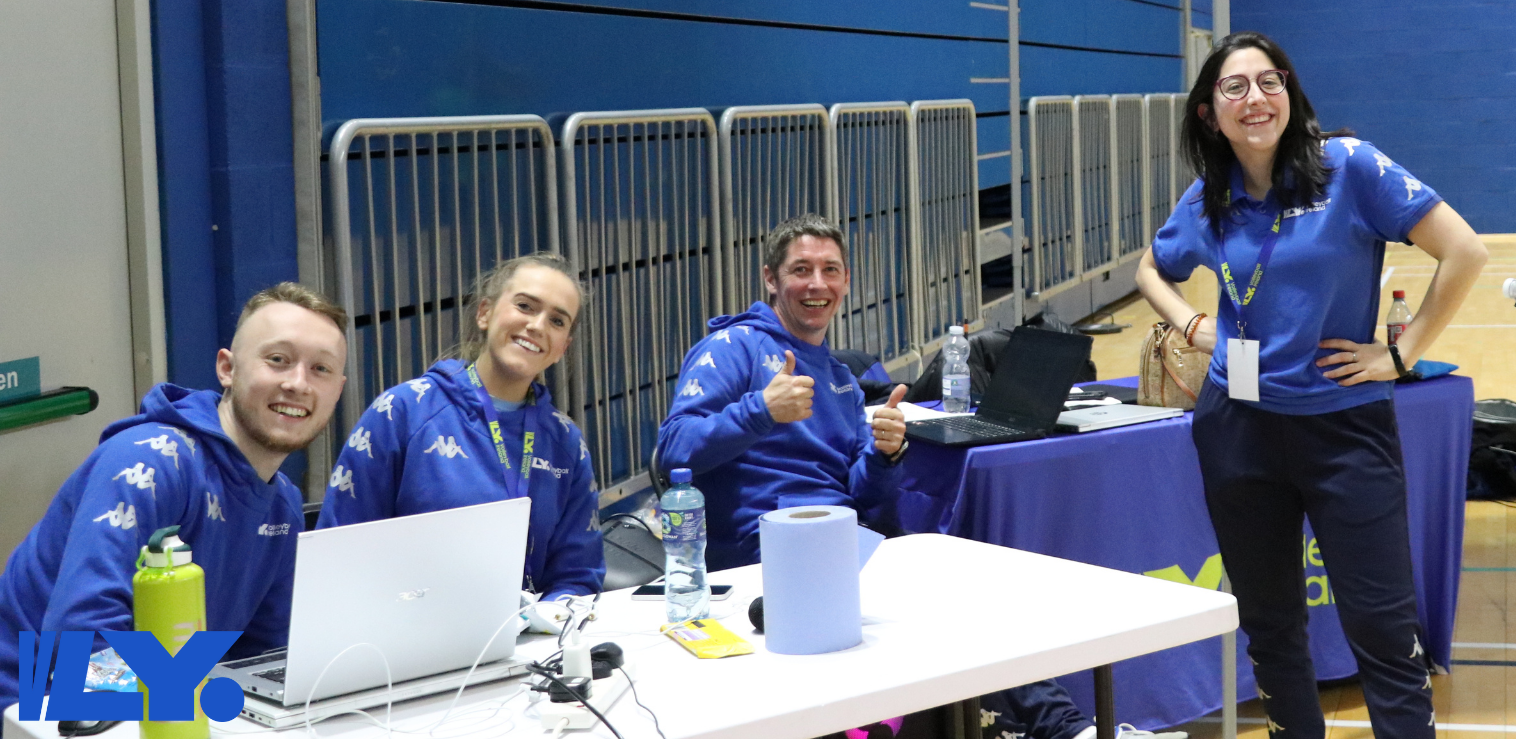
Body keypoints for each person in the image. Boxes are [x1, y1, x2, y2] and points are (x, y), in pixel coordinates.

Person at [658, 214, 1176, 739]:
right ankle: (1069, 731)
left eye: (830, 270)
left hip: (843, 543)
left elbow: (868, 503)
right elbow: (672, 451)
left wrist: (884, 456)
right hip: (766, 554)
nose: (817, 284)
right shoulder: (733, 348)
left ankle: (1069, 729)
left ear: (846, 281)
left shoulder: (839, 378)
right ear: (771, 279)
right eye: (801, 270)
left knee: (980, 583)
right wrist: (759, 410)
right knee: (950, 595)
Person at [1135, 31, 1487, 739]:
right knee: (1270, 627)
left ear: (1291, 93)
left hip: (1344, 429)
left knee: (1383, 629)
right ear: (1209, 112)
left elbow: (1465, 251)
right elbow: (1151, 268)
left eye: (1271, 81)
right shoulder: (1208, 198)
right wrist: (1193, 324)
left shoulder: (1348, 167)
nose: (1256, 98)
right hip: (1237, 428)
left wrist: (1402, 354)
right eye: (1235, 87)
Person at [0, 284, 350, 713]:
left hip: (165, 705)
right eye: (277, 359)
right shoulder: (145, 463)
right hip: (36, 709)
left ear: (338, 390)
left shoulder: (283, 505)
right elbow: (82, 643)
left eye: (320, 369)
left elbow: (263, 658)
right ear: (227, 368)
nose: (297, 383)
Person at [319, 253, 603, 600]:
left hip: (527, 632)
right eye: (525, 306)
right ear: (485, 313)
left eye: (557, 321)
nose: (538, 326)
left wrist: (546, 616)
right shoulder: (402, 412)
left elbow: (578, 577)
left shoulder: (566, 443)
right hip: (407, 628)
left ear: (562, 348)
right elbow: (339, 555)